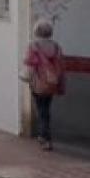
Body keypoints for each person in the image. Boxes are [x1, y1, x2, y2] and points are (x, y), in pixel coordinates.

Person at [23, 21, 65, 151]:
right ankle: (45, 135)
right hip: (52, 82)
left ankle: (44, 137)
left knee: (41, 109)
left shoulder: (33, 46)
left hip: (38, 81)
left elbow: (29, 62)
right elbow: (61, 64)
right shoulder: (56, 47)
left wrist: (27, 76)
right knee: (46, 108)